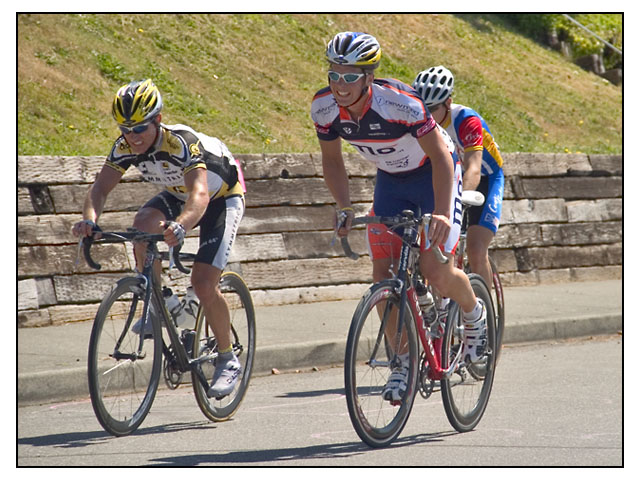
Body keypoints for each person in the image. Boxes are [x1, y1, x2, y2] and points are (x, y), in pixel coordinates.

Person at [310, 32, 488, 403]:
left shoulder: (400, 104)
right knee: (383, 278)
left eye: (349, 76)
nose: (339, 85)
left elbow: (441, 157)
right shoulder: (323, 107)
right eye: (334, 74)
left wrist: (440, 212)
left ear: (368, 77)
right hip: (390, 180)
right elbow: (332, 161)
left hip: (433, 174)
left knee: (435, 268)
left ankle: (474, 315)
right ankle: (404, 361)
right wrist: (343, 206)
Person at [71, 79, 246, 399]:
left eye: (139, 128)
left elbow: (200, 194)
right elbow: (99, 189)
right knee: (142, 226)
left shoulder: (182, 143)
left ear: (158, 121)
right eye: (125, 128)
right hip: (178, 194)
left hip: (221, 196)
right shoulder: (124, 145)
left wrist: (180, 226)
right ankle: (160, 301)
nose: (132, 136)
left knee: (205, 284)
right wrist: (89, 221)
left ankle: (227, 358)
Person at [413, 66, 504, 288]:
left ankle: (483, 313)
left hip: (485, 178)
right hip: (449, 176)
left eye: (432, 108)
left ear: (448, 102)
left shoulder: (466, 120)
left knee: (475, 248)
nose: (426, 113)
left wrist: (458, 202)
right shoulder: (419, 122)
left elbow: (473, 168)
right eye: (421, 107)